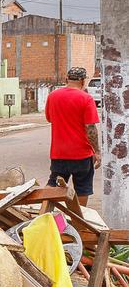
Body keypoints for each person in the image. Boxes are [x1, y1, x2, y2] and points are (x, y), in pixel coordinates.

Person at [45, 67, 101, 206]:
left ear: (66, 80)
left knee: (54, 184)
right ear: (82, 81)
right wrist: (97, 151)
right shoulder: (86, 98)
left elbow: (50, 119)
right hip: (82, 154)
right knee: (82, 188)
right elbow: (90, 128)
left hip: (59, 153)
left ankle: (44, 214)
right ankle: (80, 220)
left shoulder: (53, 96)